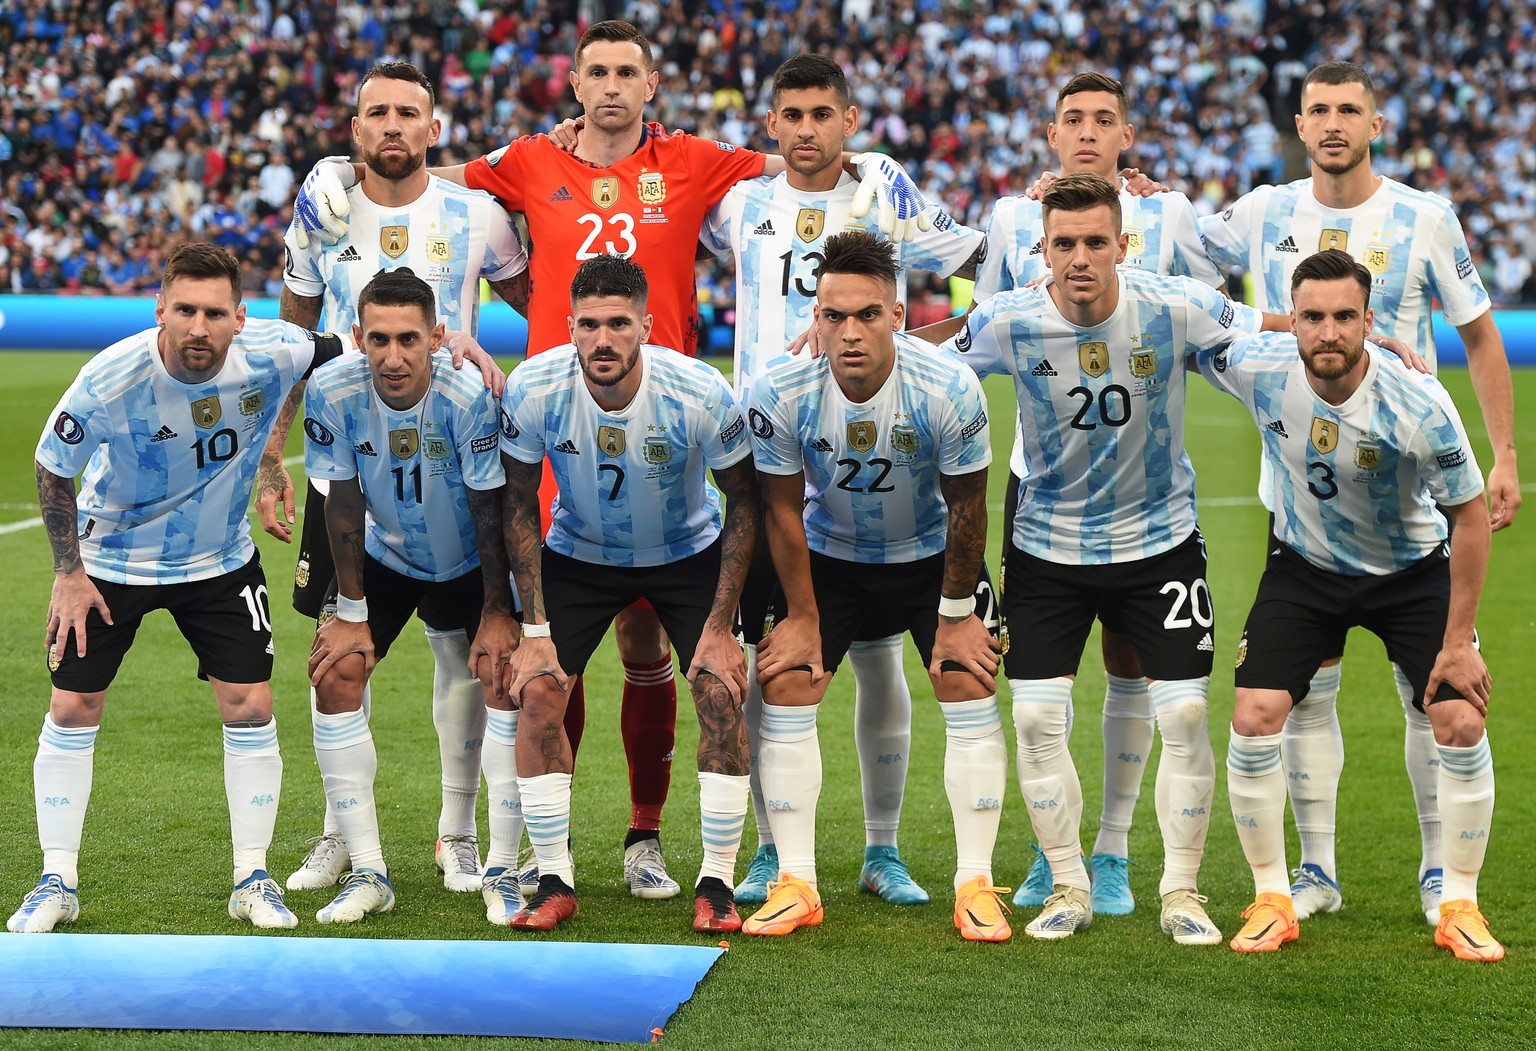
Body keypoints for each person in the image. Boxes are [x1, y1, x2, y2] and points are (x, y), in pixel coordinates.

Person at [1199, 61, 1520, 925]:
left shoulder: (1425, 217)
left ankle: (1437, 877)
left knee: (1434, 700)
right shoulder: (1263, 210)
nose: (1334, 122)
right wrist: (1121, 191)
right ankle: (1315, 872)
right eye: (1318, 109)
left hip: (1414, 487)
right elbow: (1177, 263)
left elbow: (1483, 338)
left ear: (1376, 122)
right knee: (1304, 693)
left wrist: (1505, 455)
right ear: (1298, 125)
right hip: (1301, 493)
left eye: (1350, 109)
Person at [943, 172, 1281, 943]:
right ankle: (1068, 883)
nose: (1082, 257)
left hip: (1158, 539)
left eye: (1097, 241)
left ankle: (1182, 891)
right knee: (1033, 716)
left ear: (1123, 245)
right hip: (1048, 546)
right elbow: (936, 355)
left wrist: (1356, 335)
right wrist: (852, 341)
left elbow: (1265, 325)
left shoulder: (1173, 305)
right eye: (1065, 243)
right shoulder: (1010, 319)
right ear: (1043, 249)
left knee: (1188, 713)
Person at [701, 53, 986, 906]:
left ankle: (882, 848)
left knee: (879, 663)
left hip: (882, 436)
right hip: (770, 453)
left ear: (850, 121)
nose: (807, 129)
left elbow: (980, 259)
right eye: (791, 114)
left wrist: (931, 341)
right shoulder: (741, 203)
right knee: (776, 651)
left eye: (823, 114)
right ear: (771, 124)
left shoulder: (884, 193)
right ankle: (768, 849)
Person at [9, 242, 344, 934]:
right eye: (184, 310)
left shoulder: (275, 348)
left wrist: (275, 453)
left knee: (249, 704)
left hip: (219, 558)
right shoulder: (111, 377)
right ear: (159, 309)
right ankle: (56, 878)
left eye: (214, 312)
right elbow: (52, 468)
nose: (199, 327)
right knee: (73, 706)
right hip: (111, 560)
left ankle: (253, 876)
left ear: (239, 317)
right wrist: (68, 573)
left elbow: (338, 353)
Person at [259, 60, 528, 900]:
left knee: (466, 653)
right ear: (354, 129)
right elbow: (294, 337)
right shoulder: (321, 214)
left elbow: (543, 298)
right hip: (348, 464)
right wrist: (275, 445)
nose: (393, 127)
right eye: (376, 112)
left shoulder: (477, 215)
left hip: (457, 459)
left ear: (435, 127)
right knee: (338, 650)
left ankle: (459, 833)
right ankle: (342, 830)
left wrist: (497, 358)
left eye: (409, 112)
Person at [968, 71, 1228, 915]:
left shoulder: (1170, 221)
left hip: (1151, 502)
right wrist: (841, 330)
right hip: (1040, 495)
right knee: (1043, 706)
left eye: (1102, 119)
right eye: (1071, 119)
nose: (1086, 131)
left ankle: (1113, 850)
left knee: (1136, 671)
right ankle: (1060, 863)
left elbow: (1234, 326)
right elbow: (964, 336)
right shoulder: (1009, 220)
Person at [1207, 250, 1500, 962]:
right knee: (1254, 716)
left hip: (1410, 571)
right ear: (1292, 320)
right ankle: (1278, 893)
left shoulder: (1419, 401)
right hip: (1305, 566)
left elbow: (1468, 515)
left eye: (1345, 317)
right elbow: (1181, 323)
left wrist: (1459, 640)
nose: (1328, 332)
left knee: (1457, 716)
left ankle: (1457, 897)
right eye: (1312, 317)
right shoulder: (1258, 364)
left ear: (1371, 322)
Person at [742, 231, 1009, 941]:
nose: (850, 331)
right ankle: (796, 880)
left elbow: (969, 509)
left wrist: (955, 615)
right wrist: (801, 613)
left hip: (929, 556)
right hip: (831, 555)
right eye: (835, 316)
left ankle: (974, 882)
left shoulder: (948, 386)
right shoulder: (780, 388)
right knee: (789, 677)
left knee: (966, 675)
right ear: (817, 316)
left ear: (897, 312)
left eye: (867, 314)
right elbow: (779, 509)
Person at [497, 254, 760, 934]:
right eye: (589, 325)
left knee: (719, 688)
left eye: (619, 323)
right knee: (537, 688)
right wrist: (533, 626)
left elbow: (746, 502)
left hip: (685, 552)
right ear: (570, 327)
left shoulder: (698, 390)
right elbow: (519, 503)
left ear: (647, 324)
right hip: (581, 555)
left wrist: (723, 623)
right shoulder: (533, 388)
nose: (603, 339)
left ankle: (717, 883)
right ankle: (554, 878)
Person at [300, 268, 518, 925]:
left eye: (409, 339)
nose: (392, 356)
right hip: (383, 552)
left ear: (437, 337)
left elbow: (490, 504)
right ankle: (355, 850)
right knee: (333, 670)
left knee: (482, 673)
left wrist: (498, 608)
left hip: (464, 557)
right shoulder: (331, 389)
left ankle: (458, 832)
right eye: (379, 339)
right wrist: (351, 612)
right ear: (360, 337)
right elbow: (341, 499)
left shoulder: (467, 393)